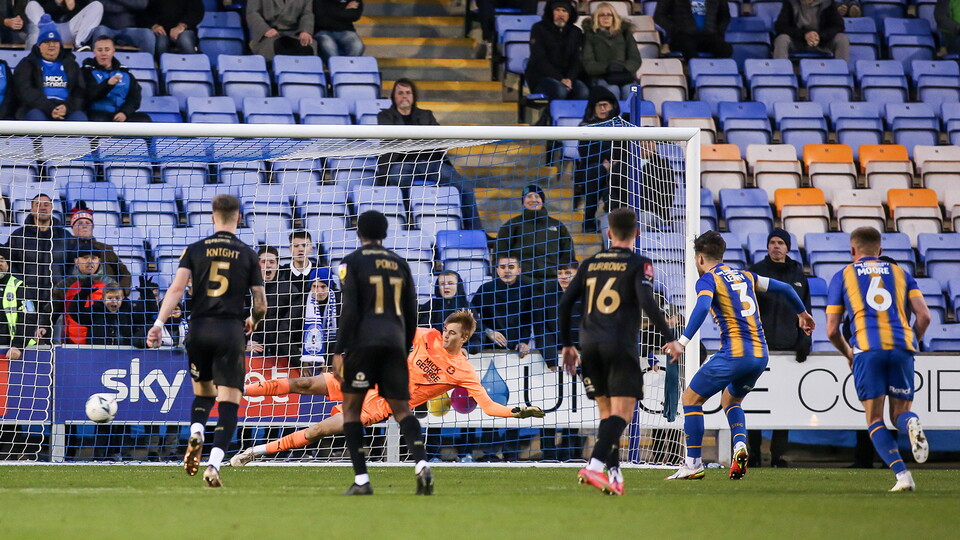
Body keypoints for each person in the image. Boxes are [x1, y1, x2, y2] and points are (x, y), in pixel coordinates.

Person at [231, 310, 545, 466]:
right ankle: (242, 389)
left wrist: (516, 412)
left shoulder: (464, 371)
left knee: (318, 431)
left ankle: (254, 453)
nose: (446, 336)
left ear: (464, 338)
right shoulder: (429, 336)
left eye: (453, 334)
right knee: (304, 383)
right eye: (446, 330)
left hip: (380, 404)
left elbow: (489, 406)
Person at [662, 231, 814, 481]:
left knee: (690, 400)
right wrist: (802, 313)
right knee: (731, 400)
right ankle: (740, 445)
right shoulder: (746, 276)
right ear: (721, 255)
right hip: (760, 355)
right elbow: (786, 288)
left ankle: (692, 464)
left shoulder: (708, 279)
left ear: (699, 259)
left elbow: (702, 306)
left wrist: (682, 342)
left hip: (735, 353)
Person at [147, 194, 267, 489]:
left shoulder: (195, 249)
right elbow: (261, 303)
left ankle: (197, 431)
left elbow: (176, 289)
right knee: (229, 402)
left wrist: (159, 324)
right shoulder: (248, 254)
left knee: (203, 394)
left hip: (198, 329)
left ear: (213, 217)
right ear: (239, 218)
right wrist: (253, 320)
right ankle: (213, 464)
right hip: (230, 331)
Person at [558, 208, 678, 495]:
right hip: (619, 345)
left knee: (607, 416)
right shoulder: (639, 263)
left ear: (609, 233)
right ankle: (593, 467)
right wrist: (670, 338)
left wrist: (567, 344)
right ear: (637, 232)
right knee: (623, 414)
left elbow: (565, 304)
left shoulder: (590, 263)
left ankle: (614, 475)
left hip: (589, 345)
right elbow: (647, 301)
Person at [824, 226, 932, 492]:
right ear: (880, 250)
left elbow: (831, 330)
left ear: (853, 250)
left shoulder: (843, 275)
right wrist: (911, 342)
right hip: (902, 346)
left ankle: (903, 476)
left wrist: (849, 353)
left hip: (867, 348)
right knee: (900, 415)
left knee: (874, 419)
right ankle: (912, 423)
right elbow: (925, 316)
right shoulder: (901, 273)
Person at [330, 210, 429, 495]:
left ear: (359, 232)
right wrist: (404, 346)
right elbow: (411, 311)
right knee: (402, 409)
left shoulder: (351, 262)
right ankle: (421, 463)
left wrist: (338, 350)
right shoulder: (400, 264)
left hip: (363, 344)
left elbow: (350, 309)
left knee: (351, 409)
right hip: (395, 343)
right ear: (385, 233)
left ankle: (362, 480)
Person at [376, 78, 482, 231]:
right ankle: (407, 227)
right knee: (397, 179)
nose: (404, 96)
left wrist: (410, 140)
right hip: (401, 163)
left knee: (464, 186)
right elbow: (390, 140)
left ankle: (476, 231)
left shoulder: (426, 115)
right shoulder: (385, 116)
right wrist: (419, 140)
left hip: (430, 162)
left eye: (408, 93)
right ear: (394, 96)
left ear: (413, 96)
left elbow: (437, 138)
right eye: (400, 93)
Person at [746, 228, 811, 468]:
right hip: (759, 347)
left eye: (780, 243)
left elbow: (806, 308)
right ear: (767, 246)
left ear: (787, 247)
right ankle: (753, 453)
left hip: (787, 349)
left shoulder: (798, 274)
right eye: (772, 242)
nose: (776, 246)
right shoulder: (755, 272)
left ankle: (778, 455)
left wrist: (804, 340)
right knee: (753, 402)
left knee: (784, 403)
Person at [6, 192, 69, 332]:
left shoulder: (65, 237)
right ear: (32, 209)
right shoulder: (18, 236)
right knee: (27, 337)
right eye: (38, 204)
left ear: (52, 208)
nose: (43, 207)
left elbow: (72, 265)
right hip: (26, 298)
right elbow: (9, 263)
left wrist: (63, 286)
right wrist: (22, 286)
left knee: (55, 341)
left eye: (46, 204)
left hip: (57, 300)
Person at [495, 184, 577, 282]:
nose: (533, 199)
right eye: (529, 196)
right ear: (523, 202)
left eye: (537, 196)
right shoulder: (512, 225)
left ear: (542, 200)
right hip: (522, 280)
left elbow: (568, 254)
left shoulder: (557, 225)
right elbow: (500, 254)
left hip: (552, 280)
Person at [13, 17, 87, 121]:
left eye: (55, 41)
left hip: (66, 109)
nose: (51, 45)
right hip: (38, 108)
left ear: (60, 45)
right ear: (39, 45)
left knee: (80, 119)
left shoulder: (71, 64)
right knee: (36, 118)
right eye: (47, 42)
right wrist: (49, 108)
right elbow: (25, 91)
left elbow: (79, 91)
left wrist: (67, 107)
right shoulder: (28, 63)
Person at [51, 242, 118, 344]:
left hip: (100, 343)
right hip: (70, 343)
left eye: (93, 258)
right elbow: (52, 309)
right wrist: (43, 326)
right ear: (76, 261)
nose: (90, 261)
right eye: (85, 257)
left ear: (99, 260)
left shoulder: (110, 284)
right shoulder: (66, 284)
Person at [58, 202, 131, 292]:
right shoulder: (65, 249)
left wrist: (122, 291)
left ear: (92, 227)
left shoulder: (106, 249)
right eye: (80, 223)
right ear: (72, 227)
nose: (84, 226)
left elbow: (124, 273)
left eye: (88, 223)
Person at [577, 86, 621, 233]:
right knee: (596, 171)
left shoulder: (620, 125)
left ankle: (612, 219)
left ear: (612, 106)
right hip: (591, 167)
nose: (602, 109)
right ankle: (590, 219)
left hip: (616, 166)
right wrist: (604, 161)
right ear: (593, 108)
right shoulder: (585, 126)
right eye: (599, 105)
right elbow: (584, 152)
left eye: (605, 105)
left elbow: (623, 148)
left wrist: (612, 160)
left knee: (616, 172)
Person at [525, 0, 588, 101]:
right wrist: (560, 79)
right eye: (557, 10)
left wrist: (569, 78)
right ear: (551, 12)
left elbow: (577, 60)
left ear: (569, 14)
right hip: (542, 77)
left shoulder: (576, 32)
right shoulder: (538, 28)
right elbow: (539, 59)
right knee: (560, 91)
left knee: (583, 92)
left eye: (564, 11)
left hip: (568, 78)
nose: (561, 14)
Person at [472, 254, 535, 354]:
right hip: (487, 348)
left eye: (511, 267)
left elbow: (527, 321)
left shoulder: (527, 290)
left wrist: (523, 342)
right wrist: (487, 331)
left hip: (516, 349)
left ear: (519, 270)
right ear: (497, 270)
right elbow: (470, 316)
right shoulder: (486, 289)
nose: (507, 271)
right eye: (502, 267)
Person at [81, 35, 151, 123]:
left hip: (121, 114)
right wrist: (108, 84)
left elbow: (135, 97)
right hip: (98, 113)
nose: (103, 53)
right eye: (100, 50)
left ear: (113, 52)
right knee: (99, 121)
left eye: (107, 50)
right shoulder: (86, 71)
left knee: (144, 120)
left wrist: (124, 112)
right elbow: (90, 95)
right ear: (94, 52)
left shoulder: (125, 72)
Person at [581, 2, 641, 100]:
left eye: (609, 15)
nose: (606, 18)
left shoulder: (625, 34)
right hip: (601, 77)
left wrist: (623, 67)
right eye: (602, 15)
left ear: (614, 17)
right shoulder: (589, 36)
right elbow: (588, 64)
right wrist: (607, 67)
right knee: (613, 90)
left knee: (630, 91)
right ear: (596, 18)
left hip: (625, 75)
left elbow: (635, 59)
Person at [250, 244, 298, 358]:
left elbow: (296, 324)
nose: (268, 265)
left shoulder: (289, 290)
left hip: (282, 353)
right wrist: (244, 342)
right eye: (263, 262)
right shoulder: (246, 288)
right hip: (254, 351)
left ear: (277, 265)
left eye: (272, 262)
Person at [419, 270, 480, 352]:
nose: (446, 286)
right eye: (442, 284)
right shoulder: (429, 306)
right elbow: (423, 333)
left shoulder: (467, 307)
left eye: (450, 283)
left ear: (458, 285)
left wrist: (466, 349)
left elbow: (477, 336)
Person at [773, 0, 850, 63]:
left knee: (842, 38)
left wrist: (819, 36)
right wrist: (804, 35)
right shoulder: (790, 2)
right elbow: (780, 26)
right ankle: (780, 73)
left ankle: (842, 72)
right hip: (798, 41)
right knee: (782, 39)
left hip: (822, 42)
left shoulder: (828, 3)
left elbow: (838, 26)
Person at [654, 0, 733, 59]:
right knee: (689, 47)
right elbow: (659, 15)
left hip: (709, 36)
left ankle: (715, 73)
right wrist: (675, 30)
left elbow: (725, 17)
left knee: (725, 49)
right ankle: (695, 73)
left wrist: (719, 32)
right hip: (683, 36)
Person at [0, 247, 38, 360]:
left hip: (10, 350)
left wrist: (18, 345)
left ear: (8, 263)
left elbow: (29, 317)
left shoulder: (19, 286)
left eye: (2, 260)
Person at [297, 267, 338, 371]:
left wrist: (328, 362)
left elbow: (344, 336)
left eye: (323, 286)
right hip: (304, 357)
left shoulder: (340, 302)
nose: (319, 291)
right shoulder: (302, 302)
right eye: (315, 286)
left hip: (333, 356)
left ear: (330, 286)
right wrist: (300, 361)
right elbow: (284, 332)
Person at [246, 0, 315, 61]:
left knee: (309, 46)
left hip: (295, 33)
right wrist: (265, 29)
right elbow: (252, 13)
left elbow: (307, 14)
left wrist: (305, 31)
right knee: (272, 48)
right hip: (269, 34)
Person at [24, 0, 103, 50]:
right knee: (32, 4)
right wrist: (57, 3)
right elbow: (41, 8)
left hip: (70, 30)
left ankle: (79, 45)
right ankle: (45, 39)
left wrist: (72, 7)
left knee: (97, 5)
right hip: (47, 29)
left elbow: (83, 14)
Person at [90, 0, 154, 53]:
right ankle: (96, 63)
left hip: (130, 29)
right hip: (106, 28)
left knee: (147, 34)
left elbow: (141, 4)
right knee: (100, 31)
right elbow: (94, 4)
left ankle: (145, 63)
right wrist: (126, 6)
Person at [277, 229, 323, 303]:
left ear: (311, 248)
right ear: (290, 249)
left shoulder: (321, 271)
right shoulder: (281, 272)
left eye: (304, 245)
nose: (300, 249)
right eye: (296, 246)